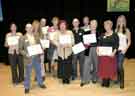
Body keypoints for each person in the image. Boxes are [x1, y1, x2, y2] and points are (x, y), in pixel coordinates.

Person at [19, 23, 46, 94]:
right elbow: (20, 49)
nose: (29, 29)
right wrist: (26, 54)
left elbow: (40, 45)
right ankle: (27, 87)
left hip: (36, 57)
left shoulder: (36, 36)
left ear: (32, 28)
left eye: (30, 27)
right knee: (28, 73)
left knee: (38, 71)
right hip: (28, 58)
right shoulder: (22, 37)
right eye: (28, 28)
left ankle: (40, 83)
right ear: (25, 29)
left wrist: (41, 50)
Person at [97, 20, 119, 88]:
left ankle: (107, 80)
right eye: (105, 25)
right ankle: (104, 79)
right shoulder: (102, 35)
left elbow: (116, 45)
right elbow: (99, 44)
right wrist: (97, 51)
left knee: (109, 69)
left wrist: (113, 53)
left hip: (110, 55)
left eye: (108, 25)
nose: (106, 27)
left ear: (111, 26)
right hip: (103, 55)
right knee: (103, 68)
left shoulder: (115, 35)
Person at [80, 20, 99, 87]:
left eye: (95, 24)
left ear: (96, 25)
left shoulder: (99, 33)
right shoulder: (86, 32)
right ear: (90, 25)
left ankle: (95, 78)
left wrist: (98, 47)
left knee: (96, 64)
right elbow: (83, 41)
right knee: (86, 64)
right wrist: (85, 43)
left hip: (96, 49)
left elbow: (101, 42)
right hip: (88, 49)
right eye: (92, 24)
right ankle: (85, 80)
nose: (93, 25)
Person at [115, 15, 131, 89]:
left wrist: (125, 49)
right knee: (116, 66)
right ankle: (118, 79)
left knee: (119, 66)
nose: (121, 21)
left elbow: (129, 42)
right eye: (119, 20)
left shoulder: (127, 30)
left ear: (124, 21)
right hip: (116, 51)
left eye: (122, 20)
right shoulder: (116, 30)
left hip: (122, 51)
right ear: (118, 21)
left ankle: (122, 82)